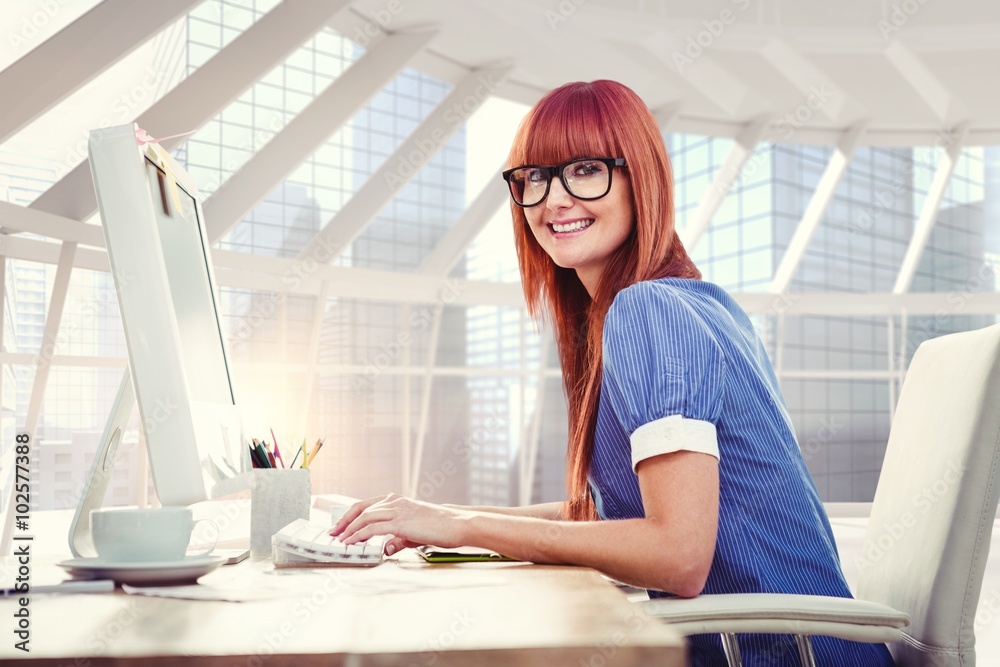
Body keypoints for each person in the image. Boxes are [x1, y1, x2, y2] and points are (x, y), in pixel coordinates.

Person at [331, 80, 895, 666]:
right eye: (534, 178)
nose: (553, 200)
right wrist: (436, 520)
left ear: (640, 178)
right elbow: (606, 518)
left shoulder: (649, 312)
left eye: (585, 169)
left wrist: (467, 526)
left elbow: (678, 553)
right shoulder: (694, 304)